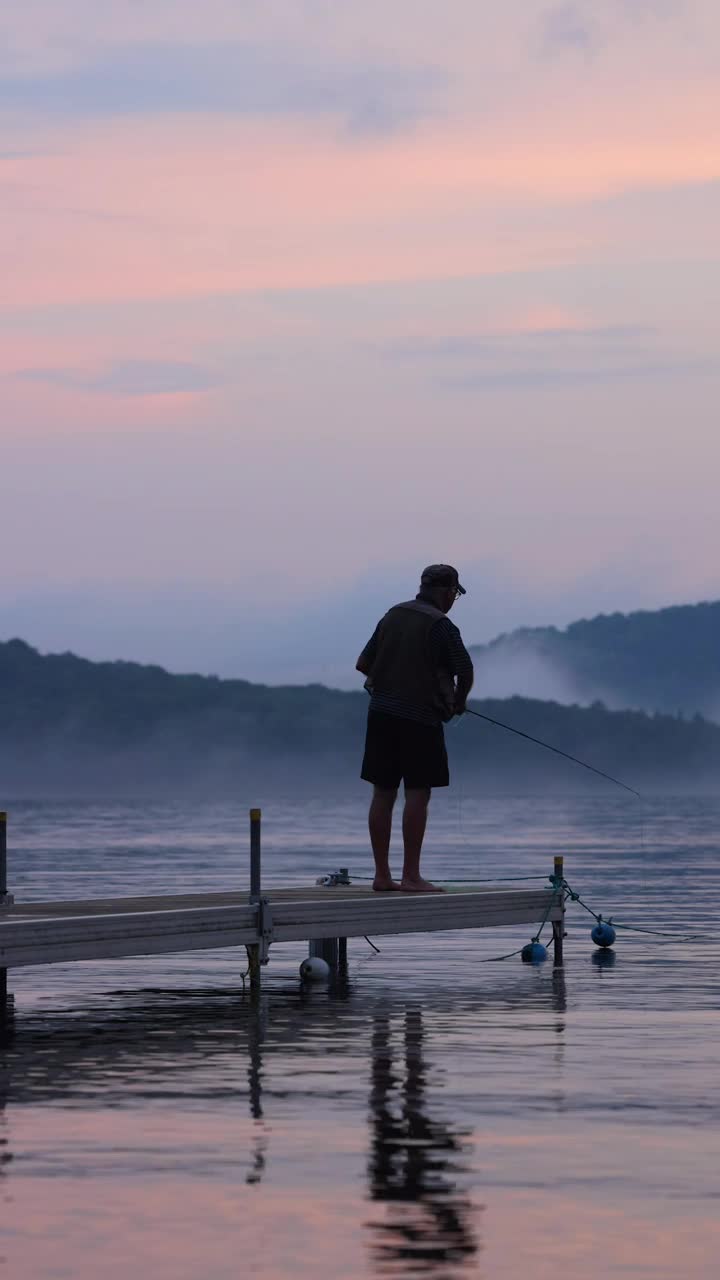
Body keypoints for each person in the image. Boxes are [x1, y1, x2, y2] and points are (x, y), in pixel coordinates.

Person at [356, 565, 474, 893]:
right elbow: (464, 670)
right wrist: (459, 701)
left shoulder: (392, 615)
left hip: (380, 715)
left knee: (383, 792)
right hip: (420, 720)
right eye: (455, 593)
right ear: (447, 590)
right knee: (418, 794)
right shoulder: (441, 625)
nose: (453, 599)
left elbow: (363, 664)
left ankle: (382, 876)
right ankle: (411, 876)